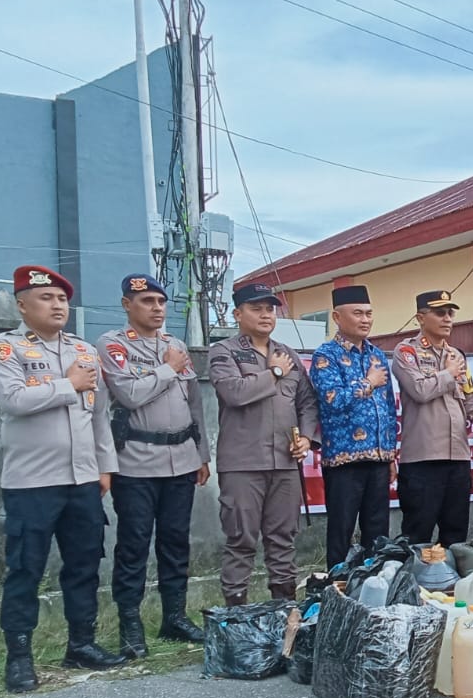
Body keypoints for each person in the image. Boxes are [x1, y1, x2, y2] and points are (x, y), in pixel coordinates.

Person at [0, 265, 126, 693]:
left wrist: (105, 466)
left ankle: (81, 643)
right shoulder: (6, 350)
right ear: (23, 305)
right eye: (46, 298)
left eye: (62, 298)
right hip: (31, 482)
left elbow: (100, 416)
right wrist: (68, 385)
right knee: (25, 569)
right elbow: (13, 400)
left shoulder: (84, 352)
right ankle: (20, 657)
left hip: (82, 480)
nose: (57, 305)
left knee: (83, 566)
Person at [95, 274, 210, 659]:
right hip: (137, 463)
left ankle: (173, 617)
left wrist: (202, 454)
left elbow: (195, 404)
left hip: (181, 460)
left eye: (161, 302)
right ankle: (131, 625)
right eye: (147, 302)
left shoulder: (175, 345)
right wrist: (166, 369)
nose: (157, 309)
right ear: (128, 304)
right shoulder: (113, 345)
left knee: (176, 543)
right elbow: (128, 395)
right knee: (133, 545)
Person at [208, 282, 320, 604]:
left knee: (283, 539)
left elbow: (308, 403)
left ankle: (283, 611)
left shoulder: (288, 355)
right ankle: (236, 615)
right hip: (243, 464)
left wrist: (308, 439)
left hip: (284, 464)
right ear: (238, 313)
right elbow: (233, 392)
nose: (265, 314)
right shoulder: (224, 352)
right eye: (256, 308)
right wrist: (272, 373)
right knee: (241, 540)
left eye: (270, 308)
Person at [390, 289, 473, 547]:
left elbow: (470, 398)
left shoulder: (457, 355)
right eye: (440, 313)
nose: (447, 318)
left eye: (450, 312)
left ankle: (451, 586)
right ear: (420, 318)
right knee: (418, 534)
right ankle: (414, 586)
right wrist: (448, 373)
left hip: (458, 457)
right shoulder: (406, 352)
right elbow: (420, 390)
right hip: (423, 459)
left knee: (456, 532)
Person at [309, 284, 397, 569]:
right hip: (344, 460)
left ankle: (374, 586)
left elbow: (388, 408)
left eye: (369, 313)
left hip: (379, 459)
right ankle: (337, 590)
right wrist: (368, 382)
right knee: (341, 532)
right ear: (336, 316)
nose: (365, 319)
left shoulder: (377, 355)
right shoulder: (326, 356)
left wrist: (392, 453)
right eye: (357, 313)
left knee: (378, 533)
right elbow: (333, 400)